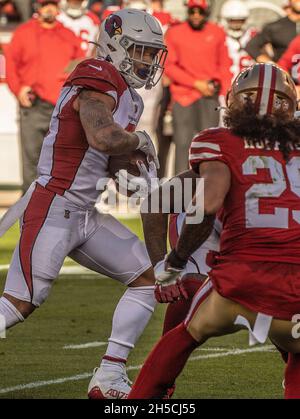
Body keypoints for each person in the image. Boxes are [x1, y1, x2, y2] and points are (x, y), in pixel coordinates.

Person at [0, 8, 168, 399]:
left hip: (86, 213)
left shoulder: (129, 97)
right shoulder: (97, 74)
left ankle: (108, 376)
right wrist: (140, 142)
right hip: (55, 204)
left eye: (151, 53)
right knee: (20, 304)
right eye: (141, 51)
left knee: (147, 279)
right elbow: (104, 138)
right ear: (117, 46)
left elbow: (113, 165)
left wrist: (139, 177)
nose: (147, 61)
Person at [129, 63, 300, 399]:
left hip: (239, 277)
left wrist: (171, 263)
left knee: (186, 332)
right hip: (293, 281)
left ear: (234, 102)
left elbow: (202, 203)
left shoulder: (219, 142)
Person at [4, 0, 85, 195]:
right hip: (32, 105)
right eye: (44, 4)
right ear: (37, 8)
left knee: (60, 160)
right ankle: (29, 210)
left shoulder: (68, 36)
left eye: (52, 4)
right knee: (32, 159)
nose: (49, 8)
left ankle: (57, 209)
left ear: (58, 8)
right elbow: (11, 67)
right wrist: (18, 90)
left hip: (61, 107)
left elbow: (81, 65)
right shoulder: (23, 33)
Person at [165, 0, 232, 173]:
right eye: (192, 11)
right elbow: (169, 66)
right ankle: (179, 186)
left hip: (209, 95)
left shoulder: (217, 32)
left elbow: (224, 65)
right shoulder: (174, 33)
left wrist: (226, 95)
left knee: (209, 145)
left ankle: (209, 185)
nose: (196, 15)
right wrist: (195, 83)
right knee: (182, 142)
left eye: (200, 12)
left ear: (206, 12)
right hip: (183, 95)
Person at [220, 0, 256, 80]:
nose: (236, 25)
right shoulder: (218, 36)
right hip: (225, 82)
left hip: (247, 83)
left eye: (240, 21)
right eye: (233, 21)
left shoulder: (253, 35)